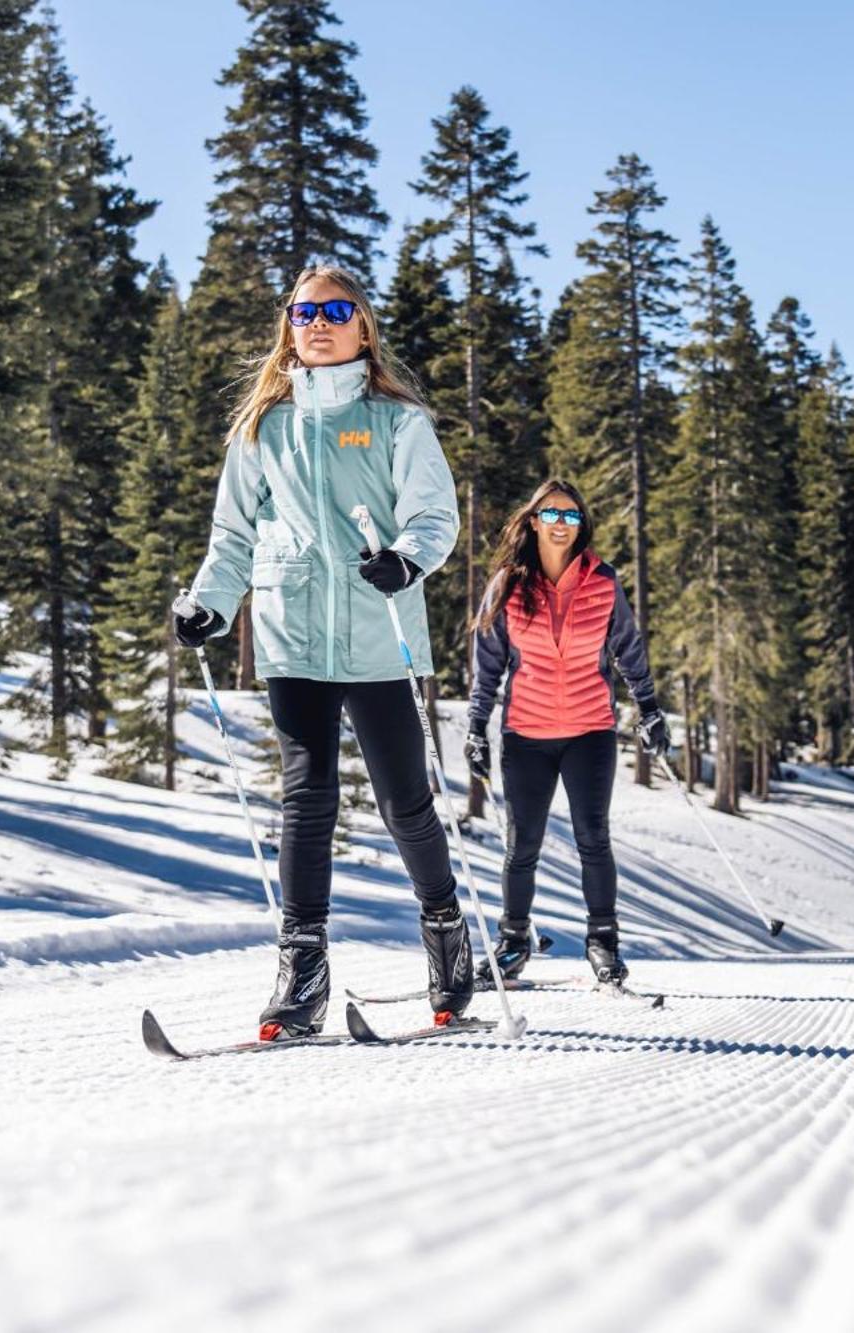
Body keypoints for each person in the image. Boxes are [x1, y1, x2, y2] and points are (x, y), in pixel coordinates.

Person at [177, 265, 470, 1040]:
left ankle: (445, 931)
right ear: (288, 326)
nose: (318, 322)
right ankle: (302, 970)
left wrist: (407, 558)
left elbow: (434, 515)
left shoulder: (397, 422)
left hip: (379, 636)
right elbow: (233, 536)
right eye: (303, 311)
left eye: (336, 310)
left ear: (362, 326)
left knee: (405, 801)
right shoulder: (263, 428)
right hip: (293, 632)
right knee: (306, 801)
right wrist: (209, 604)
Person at [464, 479, 667, 986]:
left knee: (593, 838)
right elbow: (488, 666)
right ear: (533, 521)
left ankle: (603, 943)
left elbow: (628, 649)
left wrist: (650, 709)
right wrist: (475, 727)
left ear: (581, 526)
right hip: (526, 734)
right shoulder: (508, 585)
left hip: (590, 731)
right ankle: (513, 945)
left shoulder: (603, 581)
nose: (561, 524)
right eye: (551, 514)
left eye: (571, 516)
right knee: (522, 844)